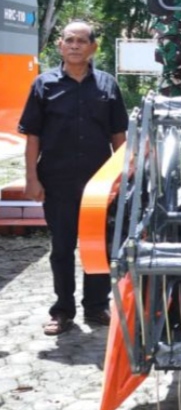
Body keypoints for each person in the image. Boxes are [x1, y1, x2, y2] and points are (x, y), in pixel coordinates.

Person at [18, 21, 128, 336]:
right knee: (62, 247)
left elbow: (118, 135)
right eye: (69, 40)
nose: (75, 45)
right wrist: (31, 179)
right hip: (57, 179)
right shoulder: (44, 84)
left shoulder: (107, 85)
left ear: (93, 47)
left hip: (100, 182)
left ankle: (96, 306)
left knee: (98, 245)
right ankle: (63, 310)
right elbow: (33, 136)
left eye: (82, 40)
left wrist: (122, 177)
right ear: (60, 45)